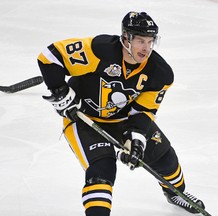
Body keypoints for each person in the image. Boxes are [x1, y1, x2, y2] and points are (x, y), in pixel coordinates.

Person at [37, 11, 205, 216]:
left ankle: (175, 193)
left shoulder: (159, 72)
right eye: (141, 40)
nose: (146, 47)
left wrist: (135, 138)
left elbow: (144, 110)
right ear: (126, 38)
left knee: (165, 157)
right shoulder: (100, 50)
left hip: (123, 119)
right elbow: (49, 57)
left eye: (150, 41)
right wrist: (60, 90)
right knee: (102, 169)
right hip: (83, 120)